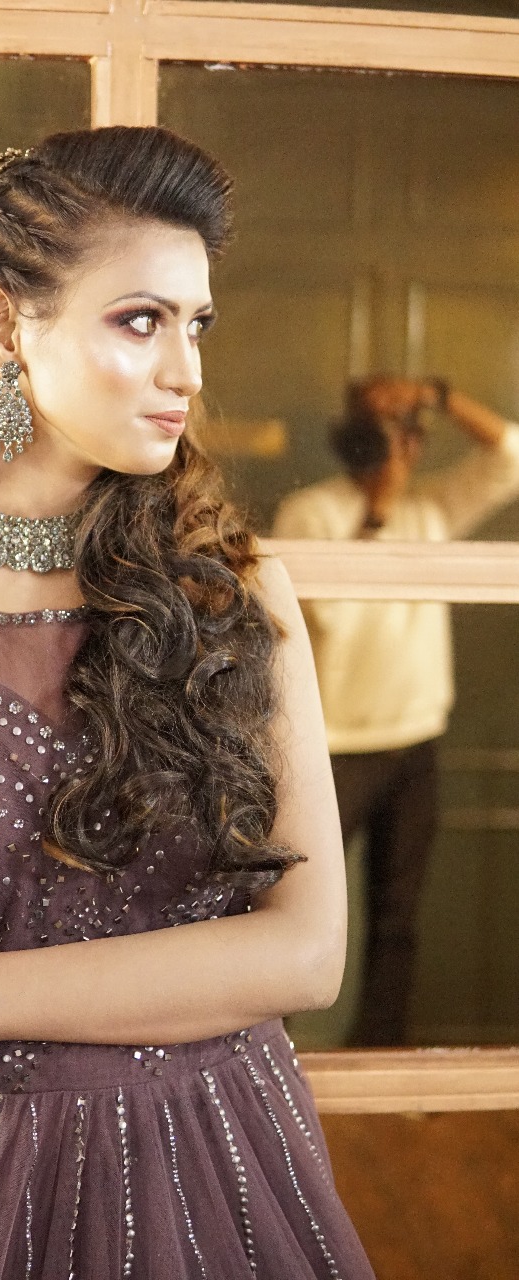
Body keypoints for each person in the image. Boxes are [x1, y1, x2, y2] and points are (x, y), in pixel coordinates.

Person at [0, 127, 374, 1278]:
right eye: (140, 320)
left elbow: (305, 954)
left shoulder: (235, 592)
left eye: (195, 325)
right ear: (4, 327)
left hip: (217, 1155)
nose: (187, 371)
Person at [273, 375, 519, 1046]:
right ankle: (268, 1053)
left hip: (415, 739)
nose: (400, 447)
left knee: (397, 916)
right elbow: (335, 617)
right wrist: (377, 510)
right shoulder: (312, 514)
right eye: (382, 432)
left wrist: (439, 393)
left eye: (409, 432)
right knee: (294, 910)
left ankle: (381, 1052)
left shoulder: (431, 509)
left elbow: (509, 455)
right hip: (335, 749)